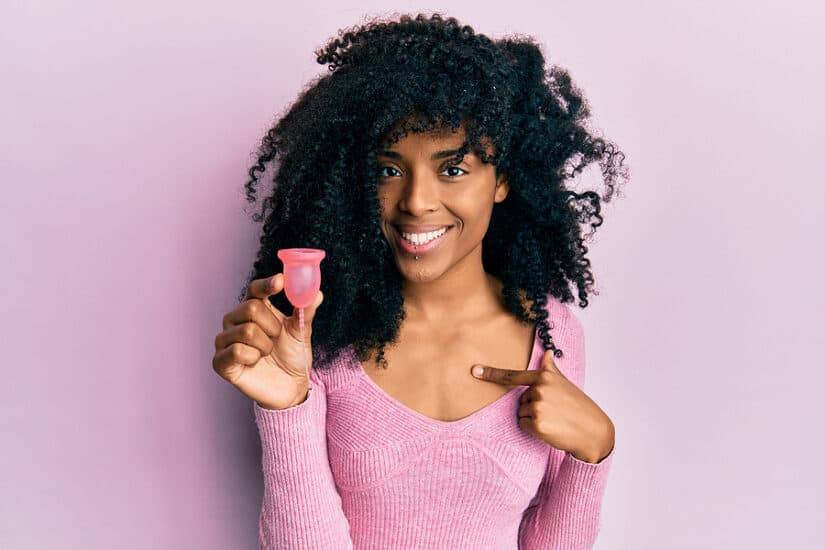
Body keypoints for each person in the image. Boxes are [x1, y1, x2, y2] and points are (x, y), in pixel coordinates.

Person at [213, 12, 628, 549]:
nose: (415, 201)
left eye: (452, 169)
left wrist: (594, 453)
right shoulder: (318, 334)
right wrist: (285, 409)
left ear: (502, 180)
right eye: (389, 170)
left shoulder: (551, 332)